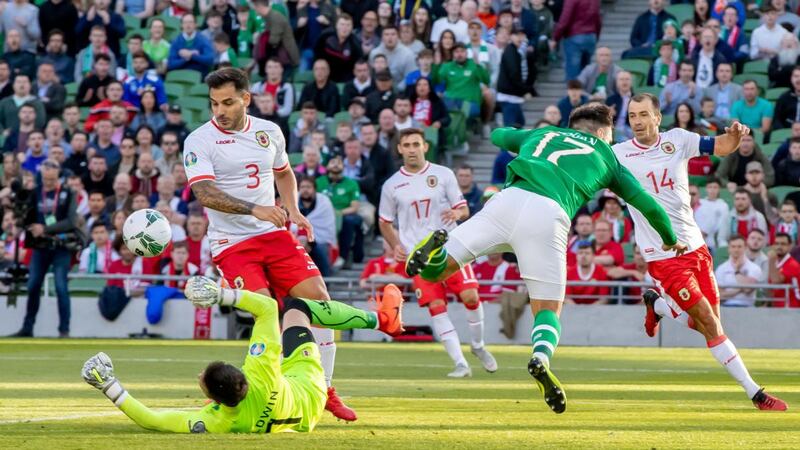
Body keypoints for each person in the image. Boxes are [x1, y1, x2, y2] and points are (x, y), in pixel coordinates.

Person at [405, 103, 682, 414]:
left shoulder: (544, 133)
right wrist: (670, 239)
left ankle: (433, 245)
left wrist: (521, 137)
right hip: (548, 215)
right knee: (548, 309)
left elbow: (498, 135)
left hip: (505, 202)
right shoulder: (608, 156)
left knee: (434, 273)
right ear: (605, 133)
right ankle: (540, 357)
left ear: (572, 125)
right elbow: (649, 205)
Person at [184, 67, 357, 422]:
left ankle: (324, 389)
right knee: (266, 312)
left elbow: (284, 173)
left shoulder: (270, 132)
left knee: (319, 301)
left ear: (246, 99)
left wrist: (293, 209)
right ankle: (253, 392)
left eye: (228, 102)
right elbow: (204, 193)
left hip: (273, 235)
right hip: (232, 243)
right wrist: (256, 209)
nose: (220, 111)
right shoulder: (199, 140)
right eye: (214, 103)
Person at [612, 93, 786, 410]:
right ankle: (756, 394)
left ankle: (658, 306)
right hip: (663, 256)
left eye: (643, 114)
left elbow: (721, 146)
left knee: (709, 325)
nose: (637, 121)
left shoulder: (678, 139)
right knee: (709, 323)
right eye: (632, 115)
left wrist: (735, 136)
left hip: (696, 248)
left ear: (657, 117)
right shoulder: (618, 154)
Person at [81, 276, 406, 433]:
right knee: (298, 308)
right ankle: (381, 320)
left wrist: (108, 385)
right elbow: (268, 307)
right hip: (308, 387)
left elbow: (151, 420)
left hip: (305, 420)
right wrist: (221, 294)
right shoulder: (260, 368)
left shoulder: (219, 422)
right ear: (241, 374)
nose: (198, 377)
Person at [379, 127, 496, 378]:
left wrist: (456, 213)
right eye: (407, 145)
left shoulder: (443, 174)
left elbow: (463, 209)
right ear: (400, 149)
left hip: (450, 248)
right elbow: (384, 222)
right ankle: (460, 363)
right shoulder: (391, 185)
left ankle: (478, 346)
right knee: (436, 305)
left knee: (471, 296)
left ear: (425, 146)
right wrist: (396, 244)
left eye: (416, 144)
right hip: (418, 256)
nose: (412, 149)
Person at [8, 160, 81, 338]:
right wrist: (20, 222)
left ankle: (64, 330)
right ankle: (27, 328)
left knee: (60, 286)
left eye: (52, 172)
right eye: (45, 174)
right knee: (33, 285)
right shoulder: (35, 192)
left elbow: (71, 221)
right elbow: (27, 217)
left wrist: (45, 229)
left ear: (58, 173)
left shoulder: (68, 193)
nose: (48, 178)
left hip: (60, 245)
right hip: (39, 246)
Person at [316, 156, 365, 268]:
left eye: (339, 163)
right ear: (327, 166)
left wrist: (338, 213)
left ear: (343, 167)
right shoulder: (319, 182)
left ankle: (344, 256)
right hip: (322, 215)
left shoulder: (351, 183)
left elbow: (354, 207)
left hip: (343, 213)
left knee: (350, 221)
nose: (336, 165)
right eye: (333, 162)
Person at [551, 0, 601, 81]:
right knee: (585, 72)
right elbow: (598, 19)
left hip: (574, 36)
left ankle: (573, 88)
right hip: (590, 36)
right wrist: (596, 36)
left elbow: (564, 20)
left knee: (572, 73)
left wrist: (555, 38)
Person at [297, 176, 336, 277]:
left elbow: (328, 225)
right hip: (297, 237)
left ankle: (326, 281)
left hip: (319, 238)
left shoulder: (324, 202)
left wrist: (310, 242)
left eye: (308, 187)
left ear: (314, 189)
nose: (305, 190)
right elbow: (290, 223)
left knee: (320, 249)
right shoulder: (293, 200)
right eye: (302, 187)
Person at [497, 26, 533, 127]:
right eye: (517, 35)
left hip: (513, 97)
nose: (520, 38)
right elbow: (514, 74)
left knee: (520, 123)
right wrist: (524, 90)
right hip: (508, 97)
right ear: (510, 36)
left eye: (522, 35)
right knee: (512, 127)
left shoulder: (515, 51)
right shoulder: (510, 51)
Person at [715, 234, 762, 307]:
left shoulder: (754, 268)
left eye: (739, 247)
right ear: (728, 249)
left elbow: (748, 290)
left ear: (745, 248)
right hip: (726, 307)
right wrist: (740, 289)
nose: (736, 250)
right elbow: (720, 296)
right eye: (733, 246)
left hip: (747, 308)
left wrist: (737, 271)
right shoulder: (721, 269)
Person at [565, 240, 610, 305]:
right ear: (576, 255)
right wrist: (577, 309)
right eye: (580, 253)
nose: (583, 256)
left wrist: (589, 309)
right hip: (574, 309)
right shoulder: (569, 273)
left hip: (595, 309)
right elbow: (567, 298)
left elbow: (604, 299)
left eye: (587, 253)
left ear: (593, 256)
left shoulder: (601, 272)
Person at [692, 181, 728, 252]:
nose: (712, 190)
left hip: (711, 241)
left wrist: (705, 232)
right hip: (695, 237)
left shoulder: (723, 205)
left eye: (715, 187)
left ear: (719, 189)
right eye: (710, 187)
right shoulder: (700, 202)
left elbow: (721, 224)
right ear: (706, 189)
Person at [768, 232, 800, 308]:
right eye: (776, 243)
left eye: (783, 244)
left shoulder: (793, 265)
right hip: (778, 308)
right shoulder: (776, 263)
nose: (779, 247)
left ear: (790, 246)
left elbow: (776, 281)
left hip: (793, 309)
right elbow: (771, 289)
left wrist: (771, 261)